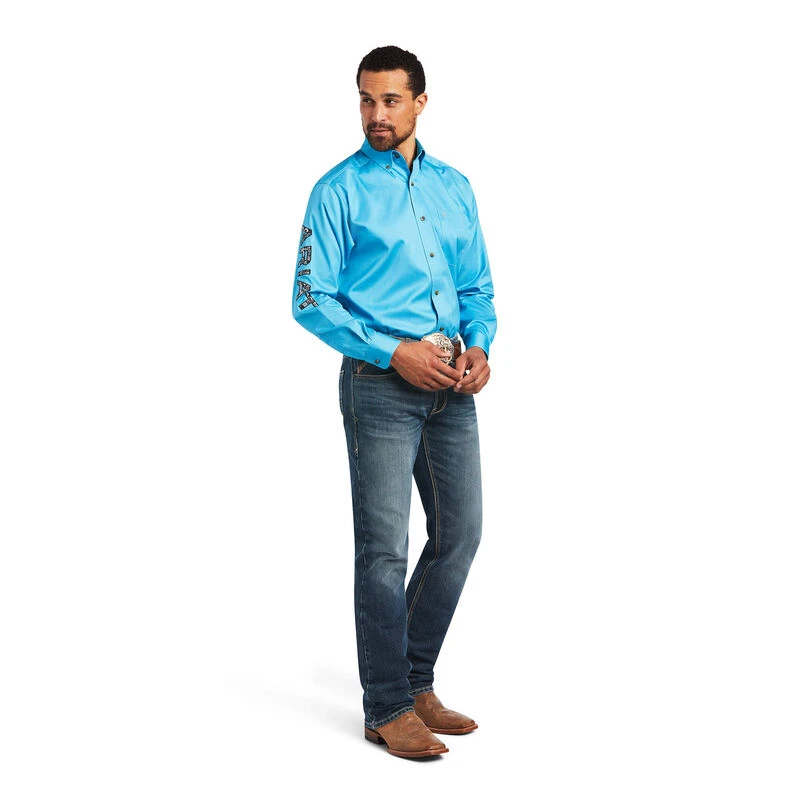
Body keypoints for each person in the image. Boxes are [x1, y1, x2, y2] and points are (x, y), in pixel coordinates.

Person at [292, 45, 497, 759]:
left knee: (461, 534)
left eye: (390, 100)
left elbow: (476, 288)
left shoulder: (454, 187)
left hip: (451, 385)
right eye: (365, 99)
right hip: (379, 387)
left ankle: (414, 682)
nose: (375, 114)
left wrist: (479, 347)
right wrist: (391, 351)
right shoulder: (337, 191)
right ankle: (386, 705)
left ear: (420, 103)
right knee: (384, 550)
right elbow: (309, 298)